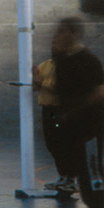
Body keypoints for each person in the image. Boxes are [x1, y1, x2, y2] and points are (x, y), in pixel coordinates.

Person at [49, 18, 104, 208]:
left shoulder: (89, 60)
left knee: (91, 170)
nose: (56, 36)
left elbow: (100, 91)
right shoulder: (62, 60)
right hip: (72, 126)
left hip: (90, 126)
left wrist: (76, 110)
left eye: (61, 32)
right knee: (80, 170)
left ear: (73, 33)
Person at [32, 53, 76, 195]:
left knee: (61, 142)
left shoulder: (67, 66)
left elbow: (61, 88)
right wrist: (35, 78)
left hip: (60, 110)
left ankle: (70, 180)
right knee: (51, 143)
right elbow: (36, 87)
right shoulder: (45, 65)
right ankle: (63, 177)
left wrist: (39, 81)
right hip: (47, 110)